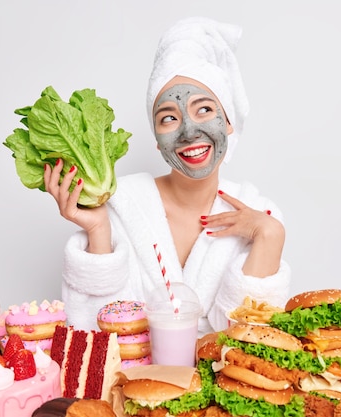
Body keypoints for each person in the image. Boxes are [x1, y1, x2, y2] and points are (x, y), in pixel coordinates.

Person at [43, 16, 291, 336]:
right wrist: (99, 230)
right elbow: (96, 330)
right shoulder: (121, 208)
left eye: (204, 110)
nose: (189, 131)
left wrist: (270, 234)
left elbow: (253, 339)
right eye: (169, 117)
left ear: (228, 122)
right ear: (158, 143)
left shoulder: (261, 214)